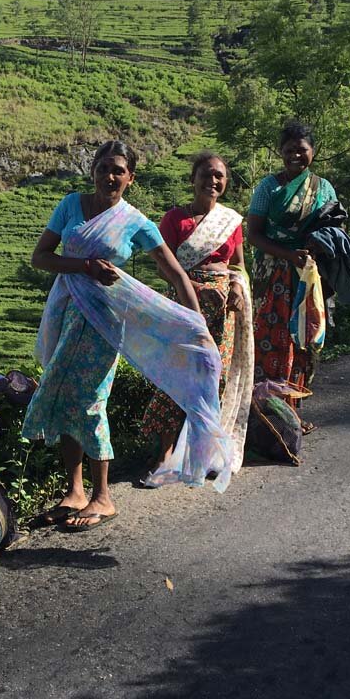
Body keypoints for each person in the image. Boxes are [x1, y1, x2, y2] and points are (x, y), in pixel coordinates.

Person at [24, 140, 229, 532]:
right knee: (63, 391)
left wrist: (198, 326)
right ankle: (75, 491)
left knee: (90, 399)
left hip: (106, 319)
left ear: (130, 179)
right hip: (66, 311)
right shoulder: (70, 205)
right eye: (104, 168)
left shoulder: (135, 221)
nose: (110, 176)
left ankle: (103, 496)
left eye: (119, 170)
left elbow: (176, 275)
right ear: (94, 171)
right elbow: (41, 257)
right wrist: (84, 266)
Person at [138, 151, 253, 479]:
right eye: (207, 174)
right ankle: (164, 454)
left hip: (225, 310)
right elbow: (164, 269)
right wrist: (199, 288)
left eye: (219, 176)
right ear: (193, 179)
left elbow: (238, 265)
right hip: (184, 304)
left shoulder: (231, 221)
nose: (213, 181)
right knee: (175, 375)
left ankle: (202, 452)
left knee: (214, 376)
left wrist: (235, 286)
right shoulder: (175, 219)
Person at [246, 121, 338, 430]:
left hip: (309, 275)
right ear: (280, 153)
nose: (295, 156)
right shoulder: (268, 187)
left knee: (304, 340)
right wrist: (288, 254)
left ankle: (293, 413)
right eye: (289, 151)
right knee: (272, 341)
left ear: (313, 152)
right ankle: (267, 413)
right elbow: (254, 235)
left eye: (302, 150)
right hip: (272, 275)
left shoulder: (323, 187)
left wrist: (314, 248)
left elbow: (335, 228)